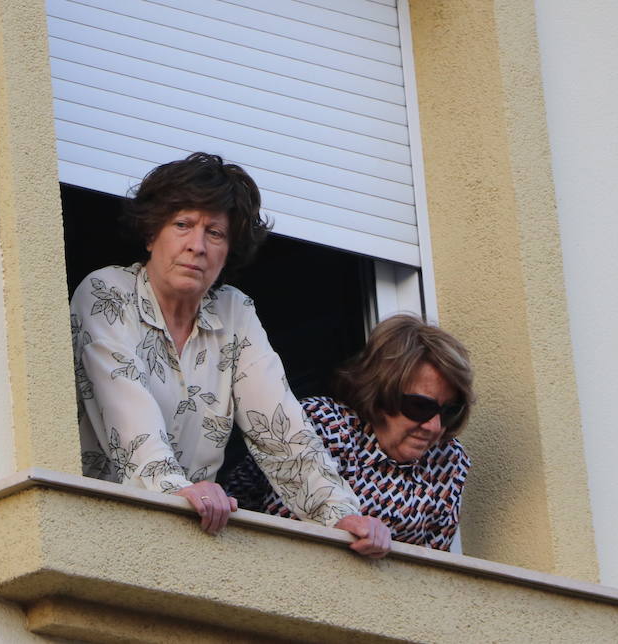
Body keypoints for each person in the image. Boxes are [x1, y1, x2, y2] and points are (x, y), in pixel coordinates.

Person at [71, 152, 392, 557]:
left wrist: (339, 515)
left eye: (215, 233)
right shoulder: (107, 292)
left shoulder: (233, 312)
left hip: (185, 540)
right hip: (96, 531)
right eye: (183, 225)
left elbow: (280, 423)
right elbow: (128, 413)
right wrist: (179, 491)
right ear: (152, 234)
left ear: (229, 250)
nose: (197, 246)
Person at [225, 314, 474, 551]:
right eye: (420, 406)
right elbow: (290, 536)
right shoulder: (324, 424)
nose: (434, 426)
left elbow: (431, 570)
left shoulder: (447, 460)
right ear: (380, 392)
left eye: (449, 411)